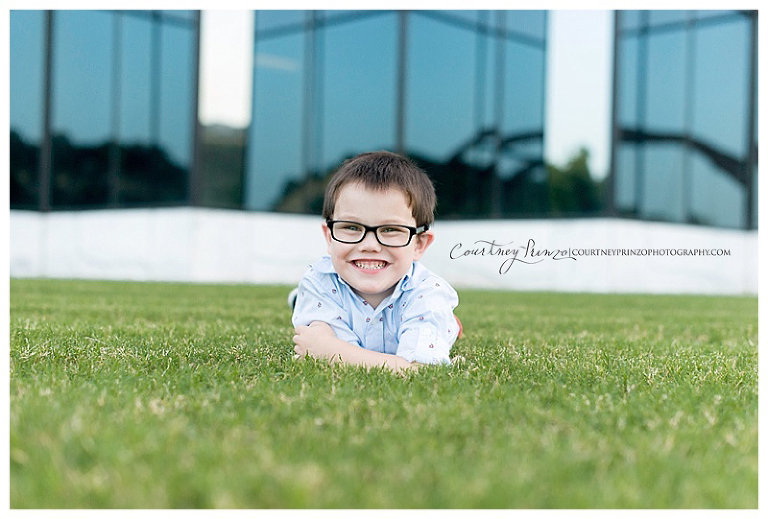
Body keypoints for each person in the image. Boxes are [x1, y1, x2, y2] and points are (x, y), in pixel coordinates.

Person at [291, 150, 461, 372]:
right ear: (329, 237)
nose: (370, 245)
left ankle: (449, 324)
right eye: (351, 227)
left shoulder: (428, 295)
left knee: (437, 321)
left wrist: (331, 352)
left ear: (419, 244)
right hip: (316, 294)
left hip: (424, 309)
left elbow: (421, 370)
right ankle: (297, 299)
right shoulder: (319, 282)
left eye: (390, 229)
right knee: (303, 298)